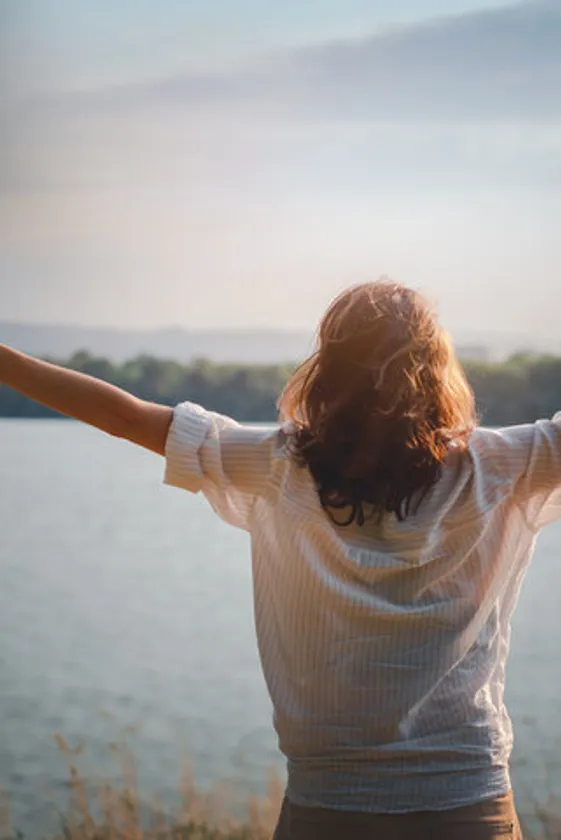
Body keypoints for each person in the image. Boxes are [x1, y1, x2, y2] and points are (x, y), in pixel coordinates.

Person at [3, 280, 558, 840]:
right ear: (438, 367)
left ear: (328, 370)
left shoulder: (279, 466)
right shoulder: (502, 465)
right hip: (466, 802)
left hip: (331, 806)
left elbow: (126, 416)